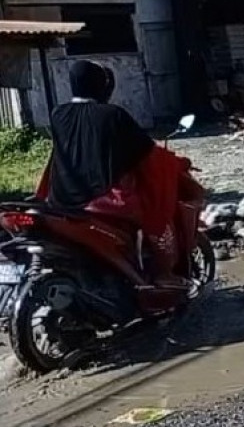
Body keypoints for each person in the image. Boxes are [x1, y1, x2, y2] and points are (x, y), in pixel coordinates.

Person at [36, 60, 190, 291]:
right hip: (103, 200)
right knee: (153, 211)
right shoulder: (113, 114)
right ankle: (163, 273)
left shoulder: (59, 113)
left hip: (62, 200)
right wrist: (178, 163)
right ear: (101, 84)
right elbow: (147, 153)